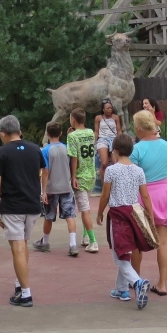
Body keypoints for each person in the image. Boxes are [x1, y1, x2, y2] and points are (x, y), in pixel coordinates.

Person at [0, 115, 45, 307]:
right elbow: (40, 172)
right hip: (32, 205)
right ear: (19, 130)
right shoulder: (35, 149)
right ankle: (20, 284)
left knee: (18, 247)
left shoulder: (1, 153)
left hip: (13, 206)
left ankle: (26, 293)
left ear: (3, 134)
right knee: (23, 244)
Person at [130, 109, 167, 296]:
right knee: (164, 242)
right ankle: (162, 284)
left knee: (137, 242)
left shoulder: (136, 149)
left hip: (143, 196)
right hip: (165, 194)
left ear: (138, 128)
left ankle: (135, 279)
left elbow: (132, 177)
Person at [96, 134, 154, 309]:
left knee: (118, 254)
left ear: (115, 151)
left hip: (118, 215)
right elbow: (145, 195)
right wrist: (150, 214)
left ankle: (137, 282)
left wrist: (99, 212)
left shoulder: (111, 170)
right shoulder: (138, 170)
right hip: (134, 214)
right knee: (125, 250)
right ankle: (121, 289)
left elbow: (105, 194)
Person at [34, 122, 79, 256]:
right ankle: (73, 244)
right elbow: (72, 165)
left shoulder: (46, 150)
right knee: (70, 216)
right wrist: (73, 178)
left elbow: (45, 172)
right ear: (61, 133)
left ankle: (45, 242)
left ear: (47, 134)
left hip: (52, 188)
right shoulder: (67, 148)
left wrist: (43, 191)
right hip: (66, 187)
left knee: (49, 216)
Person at [67, 108, 98, 252]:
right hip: (91, 173)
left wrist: (73, 176)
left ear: (73, 119)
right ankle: (86, 236)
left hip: (80, 176)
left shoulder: (72, 136)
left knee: (84, 209)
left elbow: (74, 157)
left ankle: (93, 241)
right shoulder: (90, 132)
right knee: (86, 207)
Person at [94, 99, 122, 183]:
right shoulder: (98, 118)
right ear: (103, 109)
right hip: (102, 139)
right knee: (104, 163)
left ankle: (115, 183)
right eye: (107, 108)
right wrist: (94, 142)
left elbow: (119, 130)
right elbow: (96, 131)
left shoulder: (115, 117)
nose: (109, 109)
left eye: (111, 108)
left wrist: (120, 140)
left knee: (115, 163)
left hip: (113, 139)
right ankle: (104, 185)